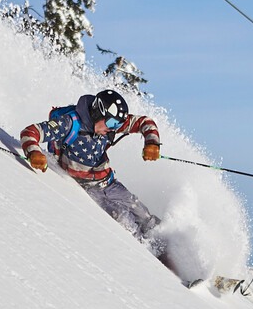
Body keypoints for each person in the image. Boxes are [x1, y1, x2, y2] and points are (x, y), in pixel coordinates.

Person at [20, 89, 168, 258]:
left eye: (117, 125)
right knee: (124, 221)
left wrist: (152, 142)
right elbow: (30, 132)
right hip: (86, 189)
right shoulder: (70, 123)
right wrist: (34, 153)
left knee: (142, 214)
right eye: (112, 124)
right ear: (98, 113)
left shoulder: (110, 124)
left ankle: (169, 251)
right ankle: (154, 263)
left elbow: (144, 122)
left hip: (109, 183)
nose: (114, 129)